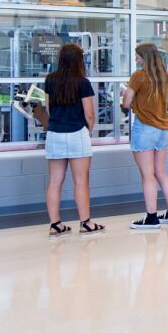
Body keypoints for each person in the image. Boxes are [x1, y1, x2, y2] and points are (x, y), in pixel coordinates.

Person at [42, 43, 103, 238]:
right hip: (77, 133)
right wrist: (88, 131)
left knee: (54, 182)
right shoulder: (82, 82)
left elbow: (49, 109)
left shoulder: (50, 80)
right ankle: (85, 223)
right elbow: (90, 114)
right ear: (79, 60)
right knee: (81, 181)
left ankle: (55, 224)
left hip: (54, 133)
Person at [122, 43, 168, 230]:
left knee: (147, 175)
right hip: (163, 129)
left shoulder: (138, 76)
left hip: (145, 129)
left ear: (144, 57)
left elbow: (126, 102)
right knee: (160, 172)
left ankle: (151, 217)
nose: (135, 59)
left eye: (137, 56)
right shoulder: (165, 77)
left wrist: (128, 99)